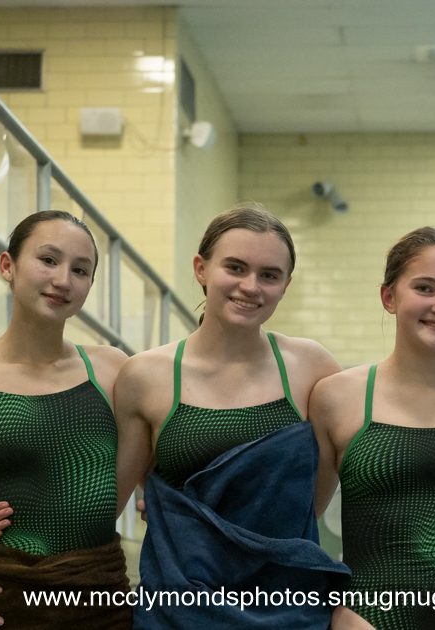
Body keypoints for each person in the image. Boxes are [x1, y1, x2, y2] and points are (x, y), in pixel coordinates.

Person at [116, 202, 349, 629]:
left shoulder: (312, 368)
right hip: (178, 608)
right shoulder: (146, 376)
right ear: (201, 268)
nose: (251, 286)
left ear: (286, 285)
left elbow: (311, 502)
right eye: (235, 268)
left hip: (288, 608)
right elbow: (106, 504)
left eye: (269, 275)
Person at [311, 227, 435, 630]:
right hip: (367, 620)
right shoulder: (335, 396)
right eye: (425, 288)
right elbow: (303, 517)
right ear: (388, 297)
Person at [0, 211, 136, 629]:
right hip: (5, 602)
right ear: (8, 266)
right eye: (48, 260)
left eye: (80, 270)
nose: (63, 280)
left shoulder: (112, 371)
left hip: (99, 603)